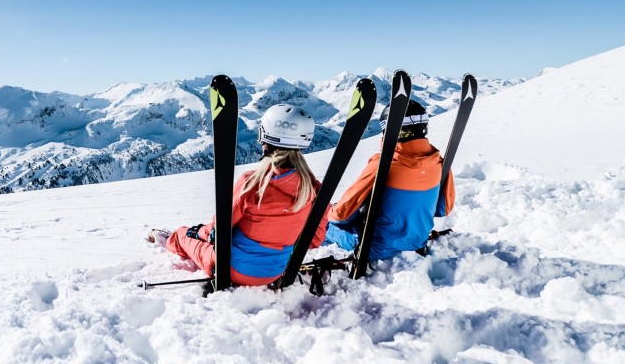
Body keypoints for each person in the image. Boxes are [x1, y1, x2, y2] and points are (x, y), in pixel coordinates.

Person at [149, 103, 329, 286]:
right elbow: (314, 240)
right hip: (276, 271)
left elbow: (217, 232)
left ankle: (168, 241)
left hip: (233, 271)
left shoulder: (252, 183)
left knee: (181, 235)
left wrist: (196, 232)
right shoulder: (314, 189)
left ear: (265, 137)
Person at [324, 98, 455, 259]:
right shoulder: (438, 163)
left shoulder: (383, 164)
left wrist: (330, 212)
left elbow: (341, 215)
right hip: (418, 242)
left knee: (324, 224)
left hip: (376, 247)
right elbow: (443, 208)